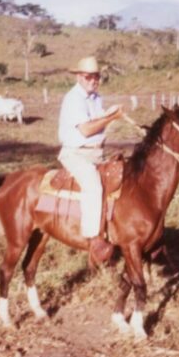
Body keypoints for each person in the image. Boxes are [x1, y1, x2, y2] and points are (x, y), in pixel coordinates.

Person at [58, 56, 123, 265]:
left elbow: (97, 121)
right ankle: (94, 239)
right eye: (88, 77)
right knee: (94, 186)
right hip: (76, 153)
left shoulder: (96, 97)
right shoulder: (73, 99)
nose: (93, 80)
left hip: (96, 153)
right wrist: (110, 118)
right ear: (79, 77)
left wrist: (107, 113)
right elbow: (86, 130)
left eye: (96, 77)